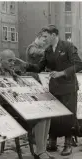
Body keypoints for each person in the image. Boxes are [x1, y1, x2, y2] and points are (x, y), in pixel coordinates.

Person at [17, 25, 82, 156]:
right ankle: (52, 142)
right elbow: (39, 67)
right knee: (55, 116)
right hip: (54, 88)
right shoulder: (47, 51)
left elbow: (78, 64)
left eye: (46, 36)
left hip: (69, 87)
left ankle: (67, 144)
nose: (44, 39)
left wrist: (62, 73)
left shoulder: (68, 46)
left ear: (54, 35)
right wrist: (24, 65)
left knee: (68, 116)